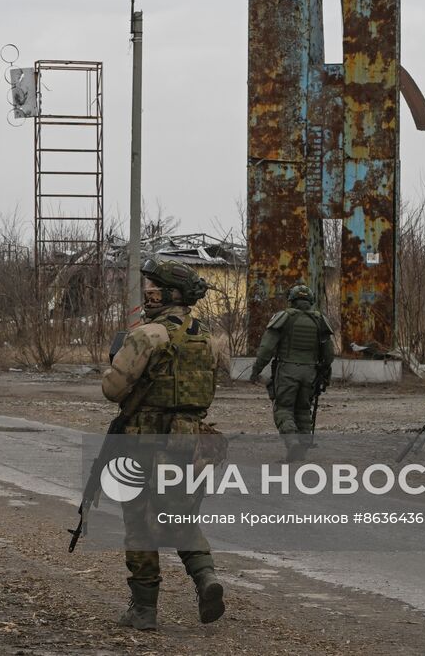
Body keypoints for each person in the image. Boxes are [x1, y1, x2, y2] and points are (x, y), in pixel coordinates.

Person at [101, 259, 225, 630]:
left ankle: (143, 609)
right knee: (180, 514)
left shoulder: (148, 334)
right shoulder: (209, 337)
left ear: (172, 293)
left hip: (144, 441)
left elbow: (112, 389)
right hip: (190, 443)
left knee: (139, 523)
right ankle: (206, 578)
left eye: (154, 286)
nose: (148, 292)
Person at [248, 283, 335, 462]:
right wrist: (325, 374)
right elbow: (328, 355)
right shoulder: (319, 320)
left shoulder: (284, 317)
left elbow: (266, 348)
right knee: (303, 409)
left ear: (291, 300)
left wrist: (256, 370)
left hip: (287, 371)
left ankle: (292, 441)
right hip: (310, 372)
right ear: (310, 301)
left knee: (283, 408)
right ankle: (301, 450)